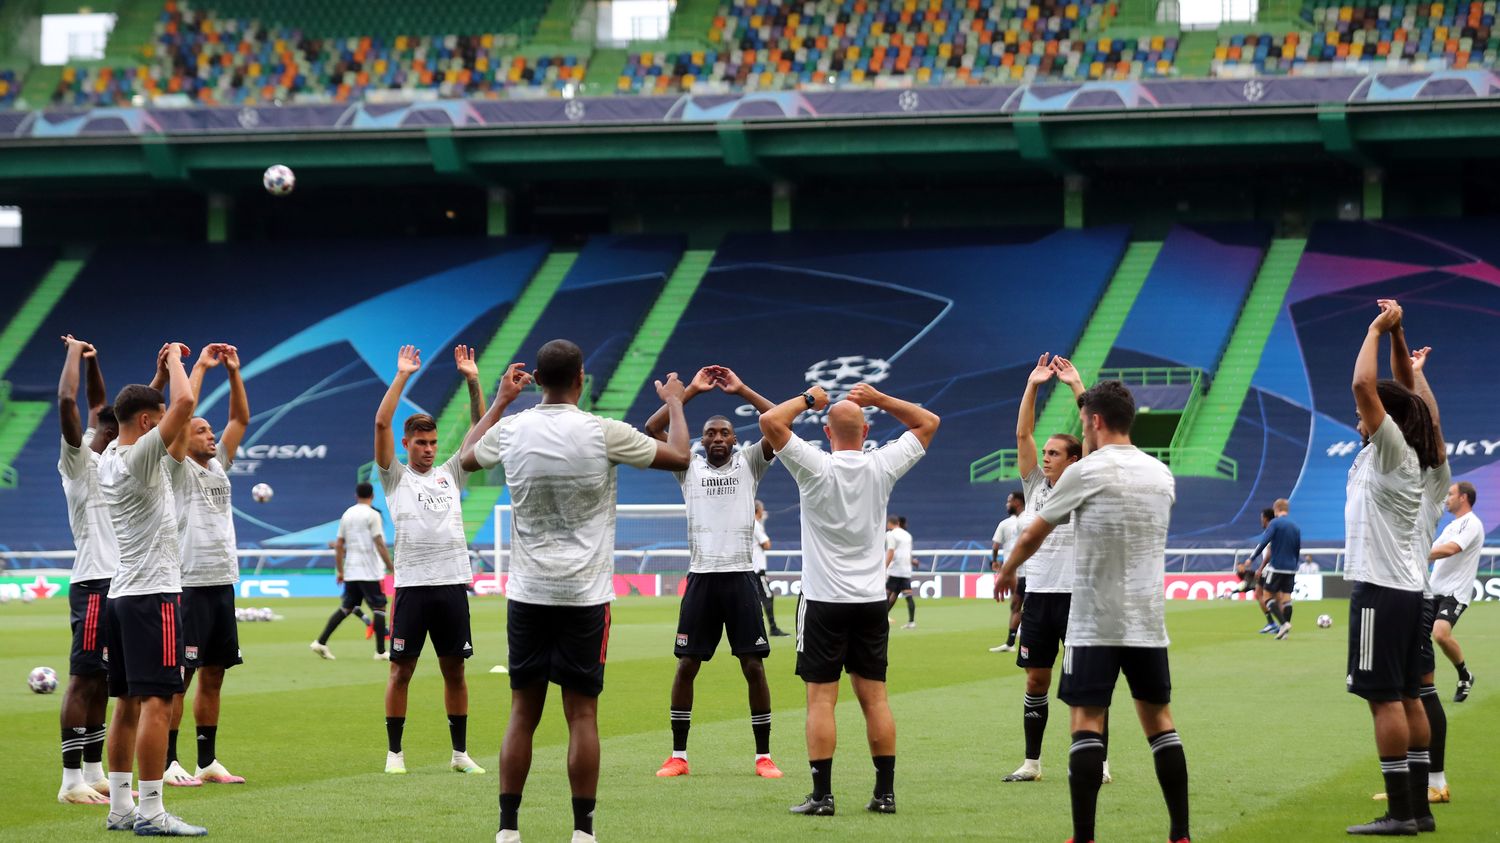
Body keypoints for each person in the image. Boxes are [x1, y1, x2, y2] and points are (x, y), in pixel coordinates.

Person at [458, 339, 692, 843]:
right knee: (582, 713)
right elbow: (679, 456)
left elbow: (467, 458)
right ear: (582, 379)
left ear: (536, 381)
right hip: (585, 596)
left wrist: (499, 401)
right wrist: (674, 400)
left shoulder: (514, 429)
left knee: (522, 711)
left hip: (527, 592)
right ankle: (582, 832)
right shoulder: (602, 431)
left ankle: (507, 829)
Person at [997, 380, 1189, 843]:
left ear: (1096, 421)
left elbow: (1031, 534)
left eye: (1085, 421)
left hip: (1093, 620)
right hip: (1146, 621)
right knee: (1160, 722)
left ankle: (1083, 836)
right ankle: (1180, 833)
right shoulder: (1161, 474)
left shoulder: (1084, 473)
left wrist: (1007, 570)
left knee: (1085, 721)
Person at [759, 380, 939, 817]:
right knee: (875, 698)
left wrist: (807, 400)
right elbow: (928, 422)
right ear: (866, 430)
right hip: (871, 599)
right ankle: (885, 794)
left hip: (823, 599)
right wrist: (879, 398)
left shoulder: (814, 465)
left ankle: (822, 796)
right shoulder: (881, 466)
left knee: (821, 699)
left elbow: (769, 422)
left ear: (826, 433)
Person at [641, 364, 784, 780]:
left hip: (740, 578)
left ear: (734, 439)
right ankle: (678, 756)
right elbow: (652, 430)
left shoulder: (750, 463)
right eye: (711, 434)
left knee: (753, 666)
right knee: (686, 665)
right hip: (701, 578)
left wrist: (741, 389)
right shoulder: (688, 465)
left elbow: (777, 422)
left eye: (724, 433)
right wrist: (688, 395)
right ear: (702, 440)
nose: (718, 438)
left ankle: (763, 757)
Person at [97, 342, 207, 835]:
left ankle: (120, 807)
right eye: (157, 419)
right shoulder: (142, 457)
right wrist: (179, 363)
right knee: (159, 703)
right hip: (154, 595)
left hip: (121, 594)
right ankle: (151, 812)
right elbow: (182, 408)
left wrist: (163, 375)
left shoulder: (110, 456)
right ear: (147, 424)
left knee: (125, 704)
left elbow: (161, 414)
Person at [1342, 301, 1442, 836]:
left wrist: (1377, 329)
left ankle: (1400, 812)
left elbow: (1365, 386)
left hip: (1381, 591)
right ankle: (1420, 808)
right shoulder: (1430, 464)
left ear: (1389, 422)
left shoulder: (1392, 453)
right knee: (1409, 694)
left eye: (1372, 414)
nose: (1361, 414)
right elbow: (1418, 404)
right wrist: (1404, 344)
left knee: (1383, 698)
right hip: (1411, 592)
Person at [373, 344, 488, 776]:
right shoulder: (394, 476)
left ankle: (459, 753)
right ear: (406, 444)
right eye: (420, 442)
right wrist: (402, 375)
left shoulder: (450, 473)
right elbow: (381, 420)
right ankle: (395, 754)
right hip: (412, 589)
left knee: (455, 671)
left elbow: (480, 428)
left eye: (433, 442)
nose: (428, 448)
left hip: (452, 585)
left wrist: (473, 380)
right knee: (400, 672)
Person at [993, 352, 1089, 785]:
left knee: (1085, 683)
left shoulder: (1087, 479)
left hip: (1079, 596)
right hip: (1039, 596)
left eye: (1055, 453)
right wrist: (1032, 385)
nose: (1046, 457)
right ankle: (1031, 762)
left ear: (1075, 458)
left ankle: (1096, 762)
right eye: (1045, 452)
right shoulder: (1034, 487)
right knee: (1036, 680)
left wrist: (1076, 386)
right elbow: (1023, 431)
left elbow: (1098, 435)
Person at [160, 343, 250, 788]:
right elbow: (180, 415)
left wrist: (234, 372)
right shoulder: (177, 468)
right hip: (189, 583)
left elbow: (240, 421)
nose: (211, 435)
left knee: (214, 675)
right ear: (184, 437)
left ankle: (207, 760)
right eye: (202, 430)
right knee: (181, 677)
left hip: (221, 582)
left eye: (210, 430)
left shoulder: (218, 468)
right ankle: (168, 762)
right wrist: (197, 367)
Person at [55, 335, 119, 805]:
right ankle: (69, 780)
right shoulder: (78, 463)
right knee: (82, 678)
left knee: (104, 681)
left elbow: (99, 403)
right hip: (94, 582)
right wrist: (75, 353)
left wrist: (95, 363)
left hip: (121, 584)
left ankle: (94, 770)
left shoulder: (115, 460)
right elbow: (70, 401)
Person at [311, 482, 394, 660]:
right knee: (379, 607)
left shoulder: (347, 514)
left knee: (347, 607)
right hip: (369, 570)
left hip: (351, 570)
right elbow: (379, 542)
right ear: (372, 497)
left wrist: (341, 571)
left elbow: (339, 545)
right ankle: (380, 652)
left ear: (356, 496)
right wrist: (391, 566)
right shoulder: (373, 515)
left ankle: (321, 642)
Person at [1430, 482, 1482, 706]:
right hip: (1433, 589)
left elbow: (1451, 549)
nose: (1446, 498)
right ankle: (1417, 684)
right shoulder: (1451, 525)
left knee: (1440, 634)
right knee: (1415, 636)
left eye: (1450, 494)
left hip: (1455, 592)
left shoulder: (1472, 524)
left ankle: (1464, 675)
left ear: (1463, 498)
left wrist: (1417, 553)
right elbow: (1435, 549)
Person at [1251, 498, 1301, 640]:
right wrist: (1294, 564)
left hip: (1277, 567)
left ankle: (1283, 624)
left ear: (1276, 508)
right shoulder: (1295, 526)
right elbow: (1297, 548)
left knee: (1266, 596)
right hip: (1291, 568)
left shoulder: (1275, 523)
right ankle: (1284, 633)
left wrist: (1252, 558)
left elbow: (1264, 542)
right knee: (1286, 599)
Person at [988, 491, 1023, 653]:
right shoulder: (1034, 518)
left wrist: (995, 561)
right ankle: (1011, 641)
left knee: (1017, 604)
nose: (1006, 504)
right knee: (1018, 603)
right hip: (1028, 568)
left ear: (1017, 502)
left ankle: (1015, 638)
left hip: (1014, 568)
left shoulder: (1005, 524)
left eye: (1009, 501)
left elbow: (995, 546)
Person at [752, 500, 787, 637]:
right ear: (758, 511)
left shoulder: (749, 524)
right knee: (767, 595)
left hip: (751, 568)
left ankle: (753, 630)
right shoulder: (756, 525)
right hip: (757, 569)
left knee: (754, 598)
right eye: (762, 510)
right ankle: (773, 628)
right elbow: (766, 544)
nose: (763, 512)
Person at [884, 516, 916, 629]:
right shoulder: (908, 535)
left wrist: (884, 567)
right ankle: (911, 622)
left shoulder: (891, 534)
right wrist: (912, 562)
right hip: (906, 570)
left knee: (885, 594)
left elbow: (891, 551)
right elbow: (908, 553)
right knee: (906, 595)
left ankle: (881, 618)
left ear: (889, 524)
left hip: (895, 570)